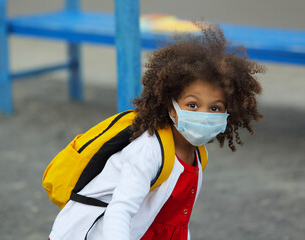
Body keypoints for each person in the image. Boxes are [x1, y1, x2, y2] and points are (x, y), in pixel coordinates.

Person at [47, 23, 265, 240]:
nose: (203, 113)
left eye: (215, 108)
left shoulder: (198, 155)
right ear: (172, 107)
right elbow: (119, 212)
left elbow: (178, 218)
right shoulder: (148, 151)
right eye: (192, 105)